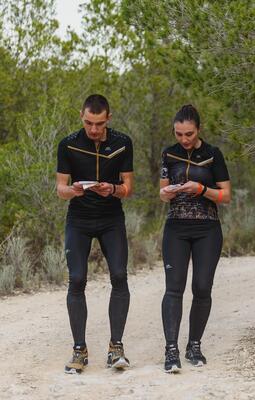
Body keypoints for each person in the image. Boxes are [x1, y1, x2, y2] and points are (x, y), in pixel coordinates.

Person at [56, 94, 134, 374]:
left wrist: (112, 189)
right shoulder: (68, 144)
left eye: (99, 124)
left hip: (111, 218)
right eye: (89, 123)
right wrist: (74, 190)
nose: (93, 129)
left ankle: (116, 348)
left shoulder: (123, 143)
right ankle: (79, 350)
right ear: (82, 116)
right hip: (79, 218)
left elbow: (128, 188)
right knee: (76, 279)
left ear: (108, 120)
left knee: (119, 276)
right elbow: (60, 189)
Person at [159, 104, 231, 373]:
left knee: (202, 287)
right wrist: (167, 194)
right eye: (179, 134)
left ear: (198, 130)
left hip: (207, 229)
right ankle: (171, 350)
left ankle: (194, 345)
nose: (184, 139)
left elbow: (226, 195)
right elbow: (162, 191)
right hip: (176, 227)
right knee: (173, 288)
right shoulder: (168, 153)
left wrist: (201, 189)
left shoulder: (213, 155)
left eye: (188, 134)